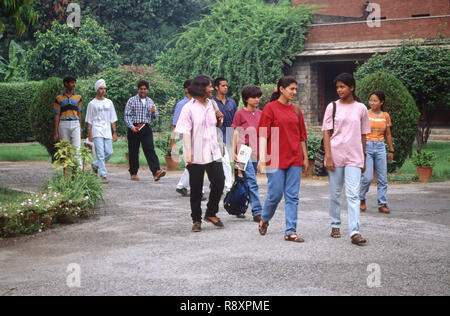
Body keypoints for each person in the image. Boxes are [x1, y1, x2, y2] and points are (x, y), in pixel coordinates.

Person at [257, 76, 309, 243]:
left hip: (294, 157)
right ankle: (264, 219)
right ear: (281, 89)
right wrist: (262, 156)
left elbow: (302, 136)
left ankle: (290, 231)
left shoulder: (297, 110)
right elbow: (263, 133)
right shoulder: (270, 108)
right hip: (275, 157)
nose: (294, 92)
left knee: (292, 196)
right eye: (291, 89)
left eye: (295, 89)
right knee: (275, 194)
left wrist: (305, 157)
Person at [322, 73, 371, 245]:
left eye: (342, 86)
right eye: (337, 87)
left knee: (353, 195)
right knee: (335, 194)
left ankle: (355, 232)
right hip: (335, 156)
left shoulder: (361, 108)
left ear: (352, 87)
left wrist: (364, 157)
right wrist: (328, 156)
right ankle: (335, 224)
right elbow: (326, 133)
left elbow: (364, 134)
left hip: (354, 157)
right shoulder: (332, 107)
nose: (339, 90)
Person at [175, 75, 225, 232]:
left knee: (219, 182)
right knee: (196, 189)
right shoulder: (188, 108)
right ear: (200, 88)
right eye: (209, 86)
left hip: (213, 150)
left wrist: (219, 119)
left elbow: (215, 124)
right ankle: (196, 219)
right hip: (196, 153)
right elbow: (185, 132)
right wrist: (188, 155)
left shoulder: (212, 104)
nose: (212, 89)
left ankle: (211, 213)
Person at [231, 85, 263, 222]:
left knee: (245, 181)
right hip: (243, 151)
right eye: (253, 97)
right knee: (252, 181)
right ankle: (257, 211)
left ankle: (238, 207)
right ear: (246, 98)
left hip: (256, 151)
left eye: (258, 97)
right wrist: (233, 152)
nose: (257, 100)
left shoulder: (261, 114)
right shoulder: (239, 113)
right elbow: (235, 133)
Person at [359, 90, 394, 214]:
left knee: (383, 178)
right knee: (367, 177)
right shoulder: (365, 114)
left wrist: (391, 150)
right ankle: (361, 198)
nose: (372, 102)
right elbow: (360, 132)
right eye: (370, 100)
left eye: (375, 100)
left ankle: (382, 203)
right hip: (367, 146)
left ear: (381, 102)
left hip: (380, 147)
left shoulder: (385, 116)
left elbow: (388, 134)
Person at [124, 80, 166, 181]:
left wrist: (153, 112)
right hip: (134, 127)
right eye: (141, 89)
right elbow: (126, 115)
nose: (143, 91)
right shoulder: (132, 100)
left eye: (144, 89)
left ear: (147, 90)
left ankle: (156, 171)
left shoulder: (150, 101)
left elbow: (156, 115)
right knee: (133, 150)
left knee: (150, 149)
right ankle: (133, 173)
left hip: (146, 127)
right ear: (138, 89)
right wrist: (131, 126)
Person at [172, 79, 206, 201]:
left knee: (193, 165)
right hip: (186, 139)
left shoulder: (201, 103)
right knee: (195, 165)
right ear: (187, 89)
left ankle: (181, 185)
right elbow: (176, 124)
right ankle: (199, 191)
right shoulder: (182, 105)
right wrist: (174, 142)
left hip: (198, 138)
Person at [85, 79, 118, 184]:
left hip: (107, 130)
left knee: (109, 152)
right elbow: (89, 120)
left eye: (104, 88)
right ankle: (103, 175)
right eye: (101, 88)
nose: (103, 90)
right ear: (97, 89)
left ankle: (95, 165)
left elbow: (112, 118)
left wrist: (115, 132)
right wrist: (89, 133)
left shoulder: (109, 102)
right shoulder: (92, 104)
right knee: (100, 153)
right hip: (96, 129)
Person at [213, 77, 237, 192]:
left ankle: (218, 183)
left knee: (229, 161)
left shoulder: (232, 102)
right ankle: (228, 185)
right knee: (225, 160)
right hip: (218, 135)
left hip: (231, 134)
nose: (225, 87)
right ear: (216, 87)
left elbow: (236, 119)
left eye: (226, 85)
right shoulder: (212, 103)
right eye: (223, 85)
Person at [53, 76, 83, 163]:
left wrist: (80, 128)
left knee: (77, 149)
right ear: (66, 84)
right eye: (72, 83)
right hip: (63, 124)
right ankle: (66, 173)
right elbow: (57, 115)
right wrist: (55, 132)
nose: (74, 85)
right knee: (64, 150)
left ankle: (78, 171)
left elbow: (79, 113)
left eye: (74, 83)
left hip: (75, 123)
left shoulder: (78, 97)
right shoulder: (59, 98)